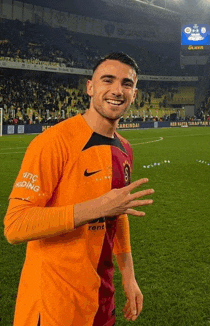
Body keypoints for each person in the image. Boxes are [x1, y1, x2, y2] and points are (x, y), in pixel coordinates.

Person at [4, 52, 154, 326]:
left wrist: (128, 276)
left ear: (134, 94)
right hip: (54, 306)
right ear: (90, 87)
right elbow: (15, 225)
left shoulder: (125, 149)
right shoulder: (53, 142)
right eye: (107, 80)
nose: (117, 90)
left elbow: (117, 212)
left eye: (127, 84)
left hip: (100, 298)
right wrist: (98, 207)